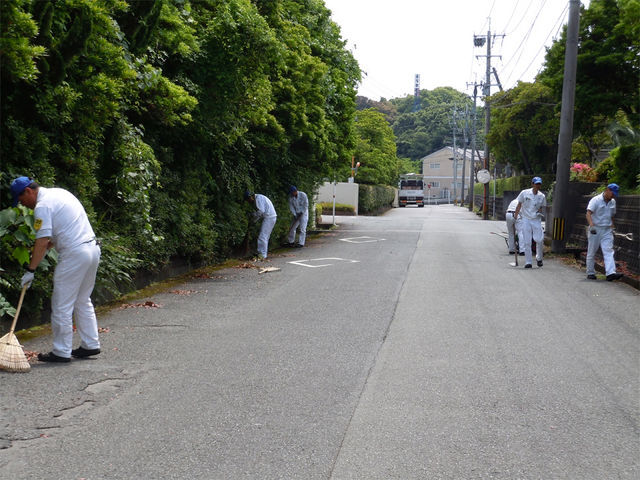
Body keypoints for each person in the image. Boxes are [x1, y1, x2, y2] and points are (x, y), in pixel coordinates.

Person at [11, 176, 101, 363]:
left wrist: (31, 269)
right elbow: (60, 232)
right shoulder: (59, 193)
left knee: (61, 304)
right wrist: (45, 248)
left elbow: (42, 241)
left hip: (74, 254)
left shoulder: (43, 206)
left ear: (28, 191)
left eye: (22, 200)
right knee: (82, 300)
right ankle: (90, 344)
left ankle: (61, 351)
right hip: (92, 249)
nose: (24, 205)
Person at [585, 183, 623, 281]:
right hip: (595, 229)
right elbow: (588, 214)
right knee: (592, 251)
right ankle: (590, 272)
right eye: (612, 193)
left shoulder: (612, 202)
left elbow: (612, 215)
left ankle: (610, 273)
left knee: (608, 251)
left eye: (615, 194)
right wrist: (592, 226)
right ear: (607, 190)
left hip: (607, 229)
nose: (613, 196)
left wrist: (612, 227)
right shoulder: (596, 200)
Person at [513, 176, 546, 269]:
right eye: (536, 184)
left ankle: (539, 258)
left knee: (539, 239)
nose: (538, 186)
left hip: (536, 219)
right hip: (526, 219)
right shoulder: (524, 193)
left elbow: (541, 207)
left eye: (539, 184)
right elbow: (519, 204)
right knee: (527, 241)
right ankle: (528, 262)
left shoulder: (542, 196)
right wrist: (515, 216)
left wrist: (539, 212)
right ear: (532, 184)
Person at [244, 191, 277, 260]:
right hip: (269, 217)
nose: (248, 201)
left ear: (251, 197)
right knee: (265, 236)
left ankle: (262, 255)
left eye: (248, 199)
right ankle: (261, 253)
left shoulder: (259, 199)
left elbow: (261, 211)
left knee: (262, 236)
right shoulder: (258, 198)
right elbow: (260, 212)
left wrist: (253, 220)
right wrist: (254, 219)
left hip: (269, 217)